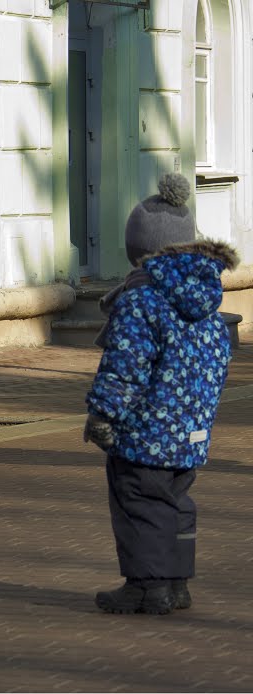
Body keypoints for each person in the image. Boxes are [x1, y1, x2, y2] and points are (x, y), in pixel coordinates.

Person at [83, 172, 238, 614]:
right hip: (191, 430)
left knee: (138, 502)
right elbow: (217, 363)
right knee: (175, 502)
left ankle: (146, 588)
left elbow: (125, 366)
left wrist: (103, 416)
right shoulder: (206, 300)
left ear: (140, 252)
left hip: (145, 428)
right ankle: (176, 584)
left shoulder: (142, 300)